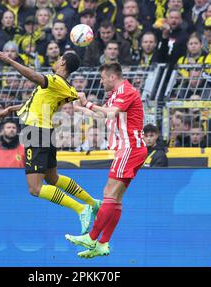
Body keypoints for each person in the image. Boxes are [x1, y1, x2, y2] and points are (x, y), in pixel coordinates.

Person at [0, 48, 101, 235]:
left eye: (59, 58)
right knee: (52, 178)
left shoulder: (55, 81)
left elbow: (32, 76)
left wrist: (9, 60)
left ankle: (81, 209)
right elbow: (34, 103)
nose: (56, 61)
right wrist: (9, 109)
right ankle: (93, 202)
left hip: (36, 133)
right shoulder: (64, 87)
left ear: (63, 62)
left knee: (35, 188)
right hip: (46, 132)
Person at [66, 63, 147, 258]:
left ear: (112, 77)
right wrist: (79, 107)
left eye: (102, 78)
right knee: (115, 197)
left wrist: (87, 104)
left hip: (130, 148)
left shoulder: (126, 90)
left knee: (109, 194)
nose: (101, 82)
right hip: (129, 149)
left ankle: (92, 237)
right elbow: (102, 117)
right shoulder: (115, 95)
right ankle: (103, 243)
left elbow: (110, 113)